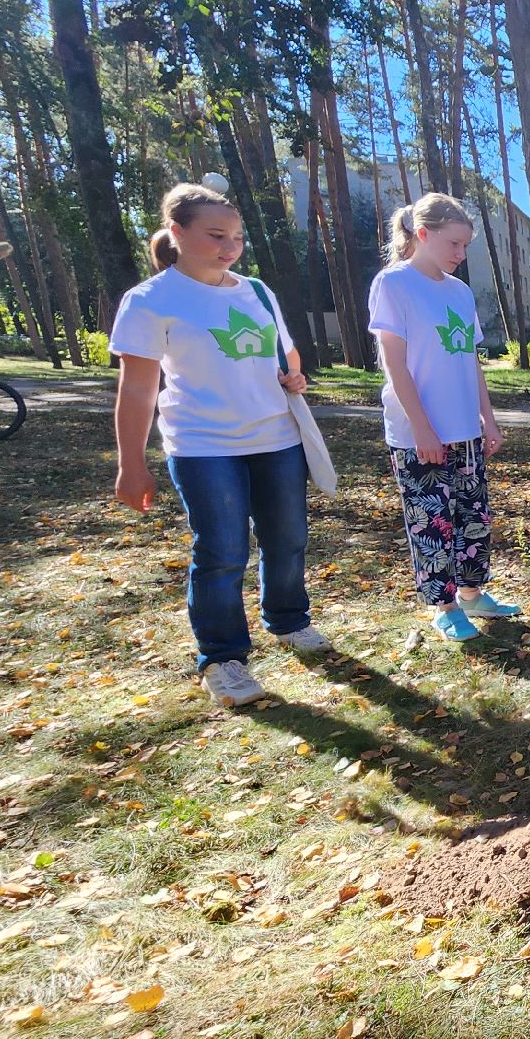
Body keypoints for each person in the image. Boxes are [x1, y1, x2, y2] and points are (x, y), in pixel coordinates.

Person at [111, 183, 333, 707]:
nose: (229, 246)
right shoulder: (150, 299)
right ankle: (223, 658)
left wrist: (293, 376)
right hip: (202, 444)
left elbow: (286, 353)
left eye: (235, 236)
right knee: (221, 553)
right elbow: (139, 389)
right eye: (215, 235)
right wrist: (131, 464)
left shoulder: (256, 290)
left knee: (287, 538)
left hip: (275, 436)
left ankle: (288, 619)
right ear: (177, 232)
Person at [369, 193, 518, 642]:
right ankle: (445, 606)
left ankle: (473, 594)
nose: (460, 255)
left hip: (465, 430)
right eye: (454, 244)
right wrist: (421, 428)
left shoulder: (460, 291)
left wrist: (486, 420)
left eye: (465, 247)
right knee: (433, 521)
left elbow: (470, 361)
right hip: (419, 434)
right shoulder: (393, 284)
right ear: (422, 234)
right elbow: (394, 363)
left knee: (474, 517)